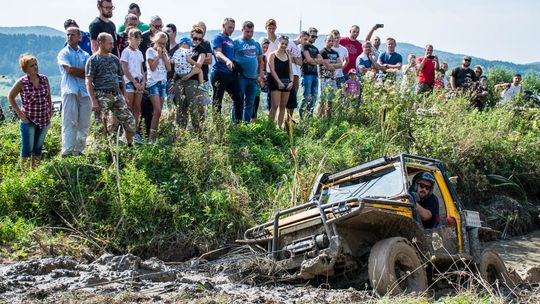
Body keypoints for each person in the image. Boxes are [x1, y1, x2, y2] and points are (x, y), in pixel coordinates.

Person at [86, 33, 135, 146]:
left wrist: (124, 96)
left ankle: (127, 145)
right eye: (110, 43)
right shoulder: (93, 60)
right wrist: (93, 101)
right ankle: (101, 150)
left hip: (117, 94)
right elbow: (88, 81)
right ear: (100, 43)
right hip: (102, 94)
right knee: (101, 125)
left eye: (112, 43)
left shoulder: (114, 59)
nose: (112, 46)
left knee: (129, 120)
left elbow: (121, 78)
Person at [8, 54, 52, 170]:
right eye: (32, 66)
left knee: (38, 148)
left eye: (36, 64)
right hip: (29, 120)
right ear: (25, 69)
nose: (35, 67)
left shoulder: (44, 79)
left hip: (44, 119)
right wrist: (21, 115)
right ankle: (26, 176)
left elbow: (48, 96)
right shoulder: (22, 82)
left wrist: (50, 111)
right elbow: (11, 97)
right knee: (27, 149)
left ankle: (35, 173)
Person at [58, 27, 92, 156]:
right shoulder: (63, 53)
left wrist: (82, 72)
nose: (69, 37)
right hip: (70, 90)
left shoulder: (85, 55)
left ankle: (79, 150)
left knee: (84, 122)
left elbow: (90, 73)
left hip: (84, 91)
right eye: (68, 34)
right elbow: (69, 69)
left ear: (79, 37)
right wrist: (83, 71)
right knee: (69, 121)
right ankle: (67, 151)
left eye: (72, 34)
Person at [172, 33, 206, 130]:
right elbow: (175, 65)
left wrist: (188, 75)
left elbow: (198, 65)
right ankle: (180, 130)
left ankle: (197, 129)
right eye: (195, 38)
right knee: (180, 105)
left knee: (192, 105)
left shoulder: (201, 50)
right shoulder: (181, 50)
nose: (197, 41)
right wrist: (173, 81)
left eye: (200, 39)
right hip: (179, 80)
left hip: (192, 80)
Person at [211, 18, 241, 121]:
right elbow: (218, 53)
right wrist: (227, 60)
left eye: (233, 28)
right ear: (223, 26)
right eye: (229, 27)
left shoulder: (231, 41)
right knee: (217, 101)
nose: (232, 30)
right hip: (219, 73)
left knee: (238, 99)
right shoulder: (218, 38)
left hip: (231, 75)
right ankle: (217, 127)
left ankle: (237, 125)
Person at [234, 21, 264, 123]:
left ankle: (246, 124)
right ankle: (236, 124)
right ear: (242, 30)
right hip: (240, 77)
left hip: (253, 78)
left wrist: (260, 75)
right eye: (247, 31)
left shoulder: (256, 44)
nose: (249, 34)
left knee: (250, 102)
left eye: (251, 32)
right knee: (238, 101)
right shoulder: (236, 42)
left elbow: (261, 61)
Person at [120, 28, 145, 143]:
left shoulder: (139, 53)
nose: (138, 41)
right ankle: (126, 133)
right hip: (129, 81)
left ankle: (134, 131)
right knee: (128, 107)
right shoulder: (126, 52)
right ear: (129, 39)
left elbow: (141, 69)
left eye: (139, 39)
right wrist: (133, 82)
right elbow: (124, 68)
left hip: (139, 81)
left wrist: (143, 81)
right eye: (136, 38)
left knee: (137, 107)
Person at [145, 32, 171, 143]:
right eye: (160, 43)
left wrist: (164, 56)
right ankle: (151, 138)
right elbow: (152, 68)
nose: (162, 45)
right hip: (153, 83)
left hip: (163, 83)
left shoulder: (165, 52)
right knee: (158, 109)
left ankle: (153, 136)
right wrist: (158, 55)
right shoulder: (150, 51)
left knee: (158, 112)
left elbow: (169, 68)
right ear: (155, 41)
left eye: (164, 44)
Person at [267, 35, 293, 128]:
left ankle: (279, 127)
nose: (284, 45)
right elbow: (272, 70)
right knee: (275, 105)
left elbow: (290, 71)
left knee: (283, 106)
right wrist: (278, 82)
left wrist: (291, 82)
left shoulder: (288, 56)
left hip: (286, 81)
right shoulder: (272, 55)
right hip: (275, 81)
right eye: (282, 43)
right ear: (278, 43)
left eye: (286, 44)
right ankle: (269, 127)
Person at [299, 27, 323, 118]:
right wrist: (315, 60)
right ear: (308, 35)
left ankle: (309, 118)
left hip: (315, 75)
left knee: (314, 97)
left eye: (316, 37)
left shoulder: (316, 48)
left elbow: (321, 61)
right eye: (313, 36)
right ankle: (301, 118)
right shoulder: (304, 46)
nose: (314, 38)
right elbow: (308, 59)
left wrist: (313, 60)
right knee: (306, 97)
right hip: (306, 74)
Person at [318, 35, 342, 117]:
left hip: (333, 78)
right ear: (325, 41)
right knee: (322, 99)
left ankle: (328, 117)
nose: (331, 42)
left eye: (332, 41)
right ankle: (319, 117)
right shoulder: (322, 52)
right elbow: (326, 65)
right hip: (324, 78)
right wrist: (333, 66)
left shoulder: (335, 52)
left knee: (331, 99)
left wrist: (331, 66)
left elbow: (340, 64)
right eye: (329, 40)